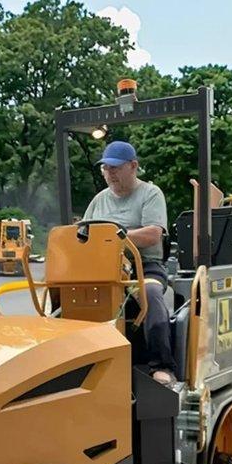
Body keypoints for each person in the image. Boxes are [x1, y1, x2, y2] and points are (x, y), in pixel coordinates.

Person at [83, 140, 177, 383]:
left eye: (115, 167)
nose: (109, 173)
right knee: (65, 297)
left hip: (143, 267)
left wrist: (111, 238)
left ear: (133, 166)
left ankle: (162, 366)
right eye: (105, 168)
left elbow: (153, 234)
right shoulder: (99, 200)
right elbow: (81, 234)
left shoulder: (150, 193)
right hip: (104, 269)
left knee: (150, 295)